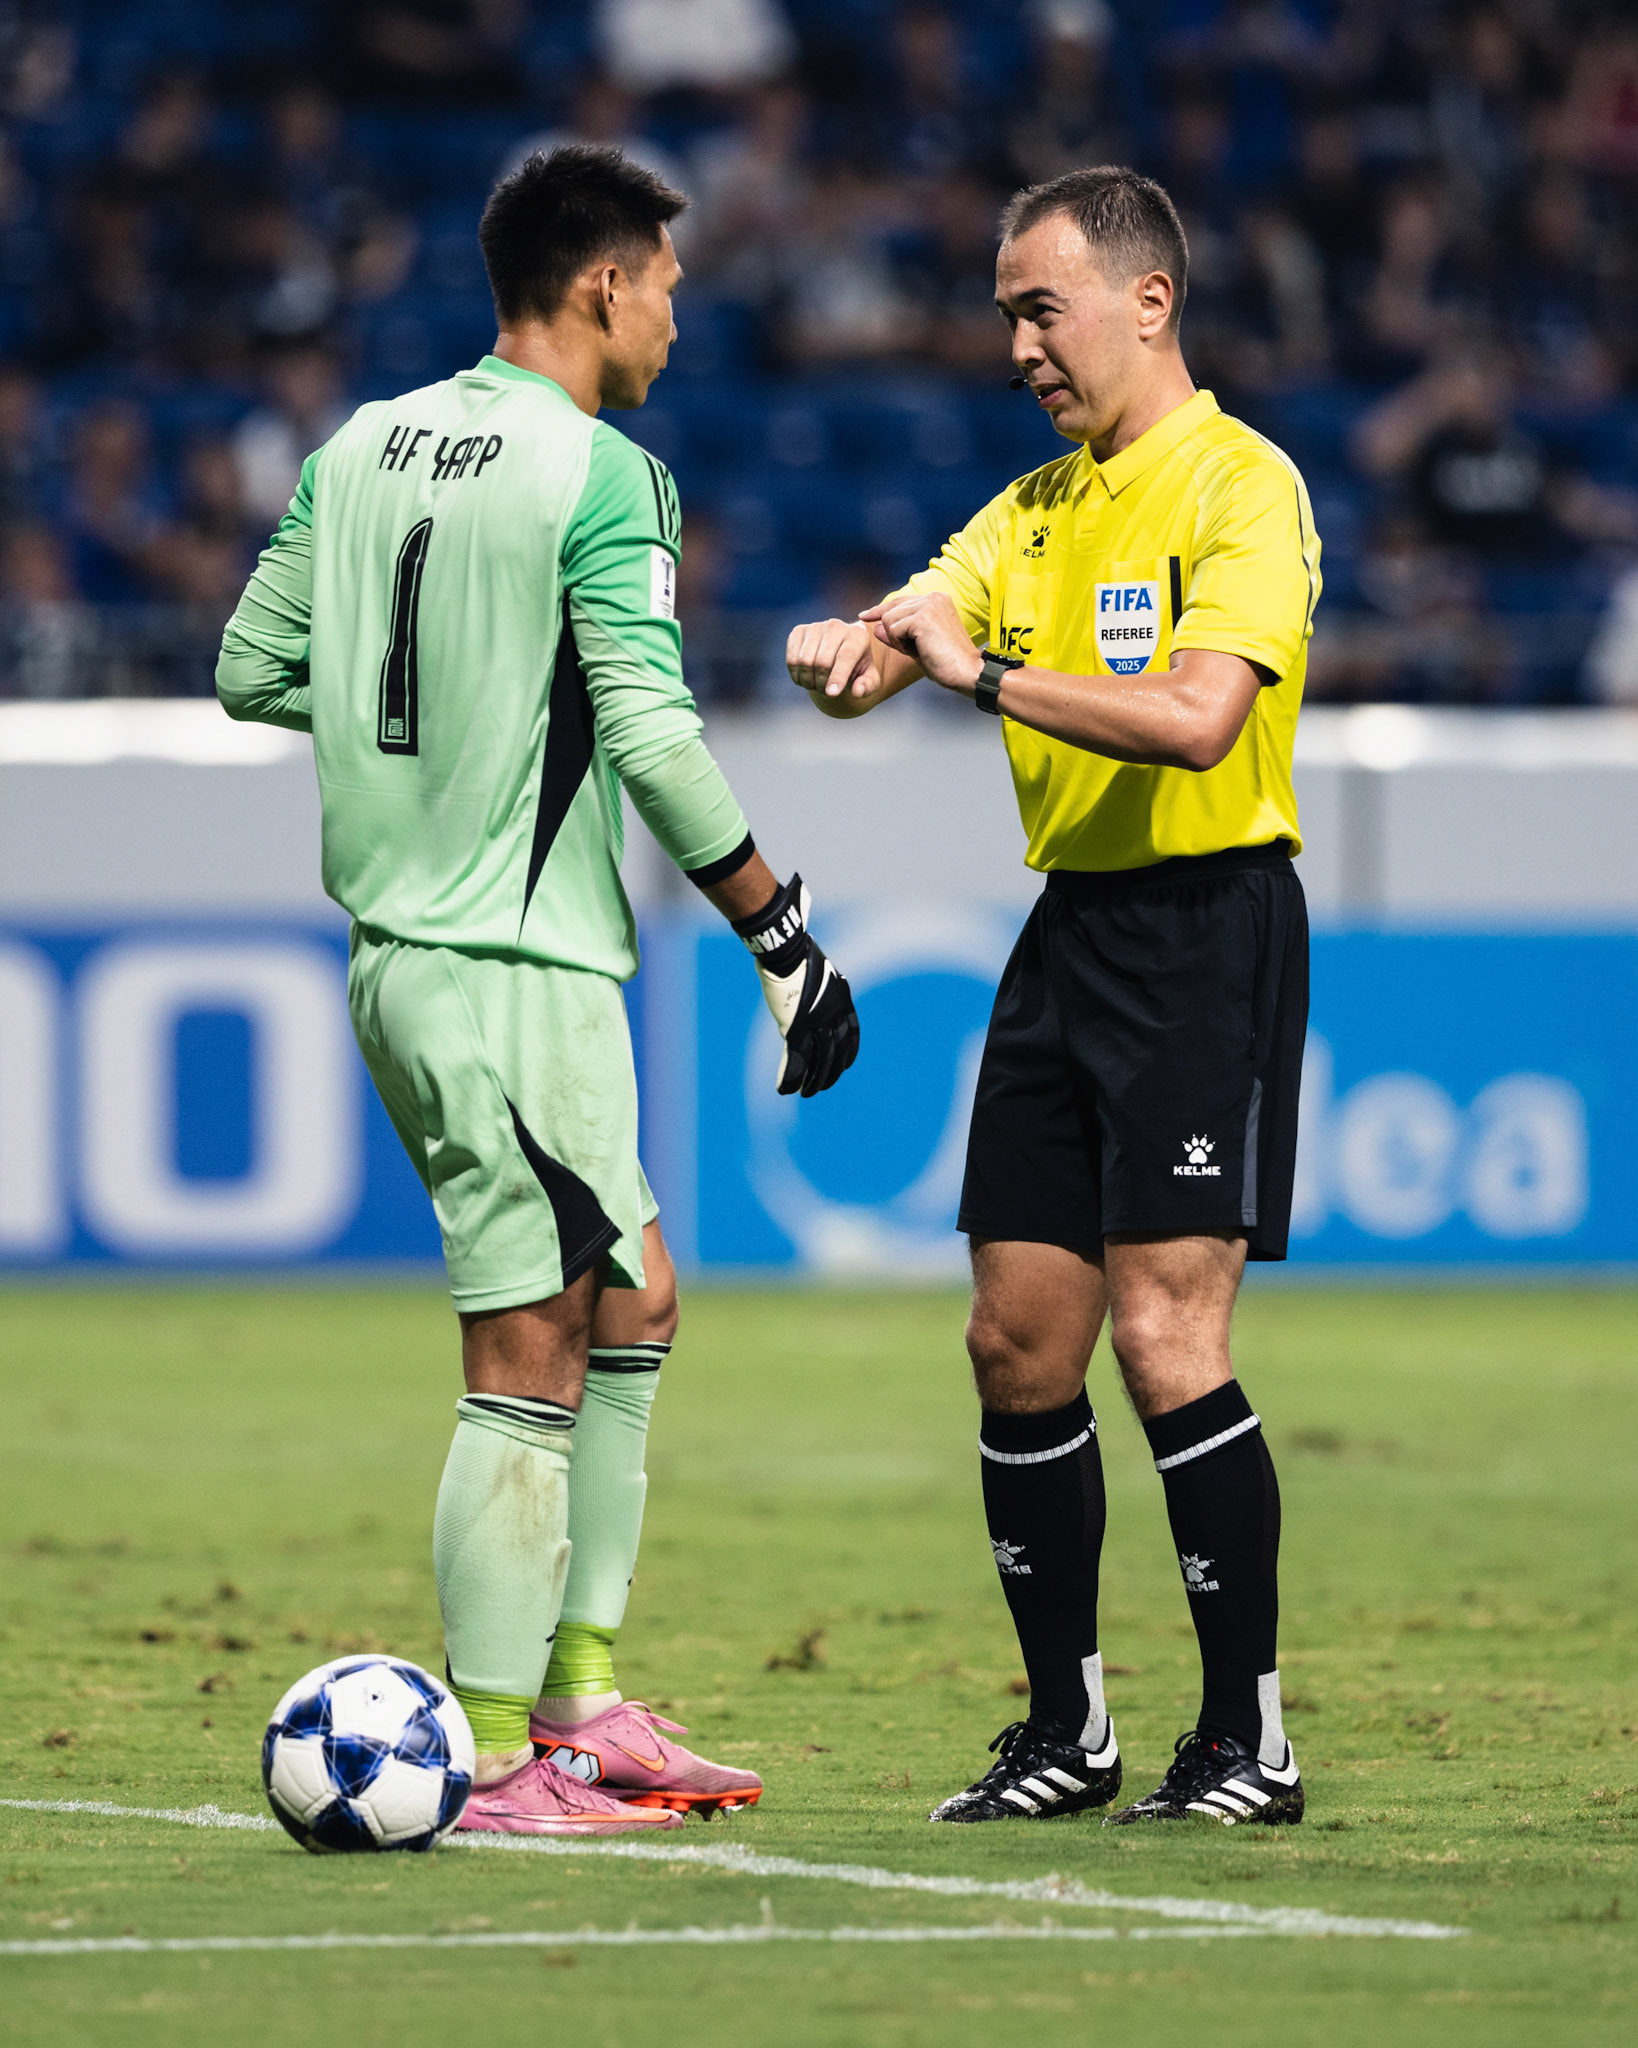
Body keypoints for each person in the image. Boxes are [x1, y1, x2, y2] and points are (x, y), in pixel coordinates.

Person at [217, 145, 859, 1838]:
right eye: (661, 280)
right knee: (526, 1339)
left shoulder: (354, 445)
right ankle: (496, 1761)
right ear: (597, 284)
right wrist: (777, 932)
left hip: (417, 956)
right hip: (510, 962)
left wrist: (422, 738)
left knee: (634, 1294)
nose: (671, 311)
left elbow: (252, 665)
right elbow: (648, 731)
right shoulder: (602, 473)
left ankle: (579, 1703)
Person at [787, 166, 1320, 1829]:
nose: (1017, 341)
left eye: (1041, 306)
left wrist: (984, 672)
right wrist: (857, 653)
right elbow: (913, 630)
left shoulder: (1240, 485)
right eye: (1005, 312)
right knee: (1017, 1340)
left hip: (1205, 928)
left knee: (1167, 1335)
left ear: (1145, 300)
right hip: (1070, 929)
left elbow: (1196, 719)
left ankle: (1249, 1739)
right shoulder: (1029, 509)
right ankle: (1064, 1734)